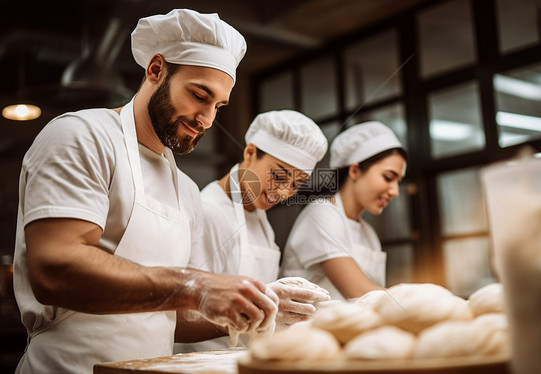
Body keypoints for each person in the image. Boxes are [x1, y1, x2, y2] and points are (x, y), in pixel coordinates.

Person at [13, 9, 278, 374]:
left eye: (218, 105)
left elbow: (170, 316)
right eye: (200, 95)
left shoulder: (185, 190)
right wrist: (196, 286)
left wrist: (254, 307)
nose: (207, 120)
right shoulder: (82, 136)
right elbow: (55, 269)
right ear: (156, 70)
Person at [185, 110, 331, 351]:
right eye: (278, 175)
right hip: (206, 362)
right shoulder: (209, 211)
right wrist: (261, 309)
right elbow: (185, 313)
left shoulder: (259, 217)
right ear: (250, 152)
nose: (283, 192)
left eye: (296, 184)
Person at [280, 121, 408, 300]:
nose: (395, 191)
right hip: (311, 328)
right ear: (355, 171)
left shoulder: (368, 233)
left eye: (398, 182)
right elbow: (360, 293)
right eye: (388, 178)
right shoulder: (321, 214)